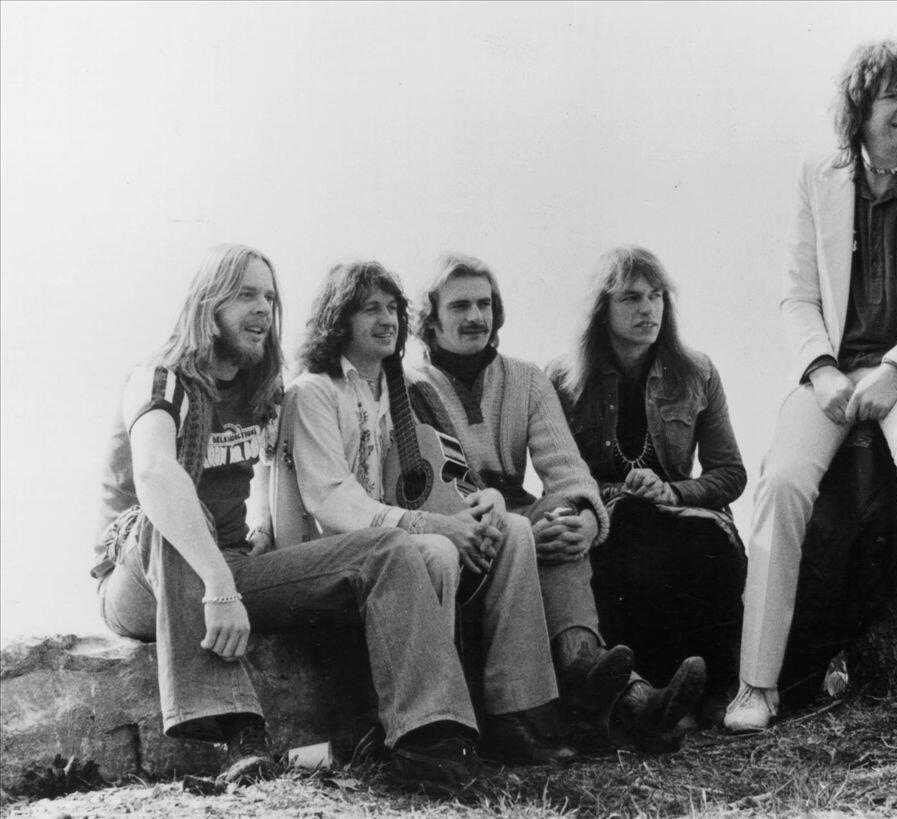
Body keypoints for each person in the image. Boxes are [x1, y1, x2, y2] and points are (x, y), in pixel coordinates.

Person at [92, 244, 493, 795]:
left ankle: (431, 741)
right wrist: (219, 584)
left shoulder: (261, 387)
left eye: (269, 296)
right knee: (180, 513)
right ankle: (241, 736)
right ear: (208, 304)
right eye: (245, 295)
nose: (263, 308)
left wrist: (260, 537)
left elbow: (271, 476)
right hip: (140, 579)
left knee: (387, 547)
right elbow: (156, 474)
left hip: (231, 569)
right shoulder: (161, 377)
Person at [725, 41, 897, 733]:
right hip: (829, 373)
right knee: (781, 482)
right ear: (859, 108)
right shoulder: (816, 177)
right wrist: (822, 370)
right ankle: (756, 684)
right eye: (892, 96)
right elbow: (797, 296)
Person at [271, 260, 574, 765]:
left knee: (514, 530)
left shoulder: (392, 389)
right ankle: (433, 727)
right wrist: (432, 525)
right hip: (325, 557)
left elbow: (439, 469)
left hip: (385, 539)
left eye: (392, 308)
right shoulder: (314, 391)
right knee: (435, 550)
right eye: (371, 309)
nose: (387, 319)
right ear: (339, 319)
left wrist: (487, 501)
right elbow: (331, 500)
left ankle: (513, 716)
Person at [408, 253, 706, 752]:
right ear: (431, 319)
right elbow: (434, 491)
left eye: (485, 304)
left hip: (520, 512)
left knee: (561, 514)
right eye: (459, 306)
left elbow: (566, 469)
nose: (476, 317)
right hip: (459, 525)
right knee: (534, 526)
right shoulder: (409, 388)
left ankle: (585, 665)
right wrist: (518, 532)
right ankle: (633, 699)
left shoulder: (526, 378)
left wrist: (587, 518)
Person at [547, 246, 748, 727]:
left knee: (703, 543)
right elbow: (557, 476)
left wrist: (673, 492)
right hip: (611, 521)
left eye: (657, 296)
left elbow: (730, 472)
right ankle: (646, 694)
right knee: (631, 533)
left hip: (690, 520)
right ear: (603, 309)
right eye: (631, 298)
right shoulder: (564, 380)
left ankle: (714, 690)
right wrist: (618, 493)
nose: (648, 309)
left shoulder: (697, 372)